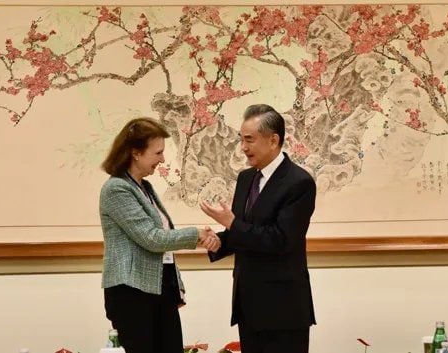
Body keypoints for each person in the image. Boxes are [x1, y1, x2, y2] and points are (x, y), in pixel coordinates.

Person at [200, 104, 317, 353]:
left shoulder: (299, 183)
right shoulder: (245, 179)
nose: (243, 148)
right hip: (248, 304)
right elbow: (244, 233)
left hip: (283, 309)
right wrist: (219, 241)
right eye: (241, 140)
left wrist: (231, 224)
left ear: (273, 140)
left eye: (249, 140)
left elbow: (281, 239)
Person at [100, 117, 220, 353]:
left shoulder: (144, 187)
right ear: (136, 152)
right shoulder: (116, 188)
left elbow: (161, 239)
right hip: (132, 293)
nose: (162, 159)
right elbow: (152, 238)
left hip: (157, 288)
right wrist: (196, 234)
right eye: (158, 153)